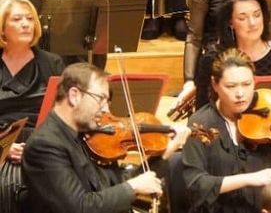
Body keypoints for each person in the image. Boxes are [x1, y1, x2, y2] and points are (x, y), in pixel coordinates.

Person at [23, 62, 183, 213]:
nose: (106, 110)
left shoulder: (88, 136)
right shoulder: (44, 145)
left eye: (107, 102)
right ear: (74, 96)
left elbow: (115, 185)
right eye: (100, 99)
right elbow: (79, 207)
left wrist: (164, 154)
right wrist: (132, 187)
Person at [177, 48, 271, 213]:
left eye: (247, 84)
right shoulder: (201, 124)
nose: (240, 94)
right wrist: (249, 179)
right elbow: (196, 184)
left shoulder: (267, 116)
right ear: (215, 84)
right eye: (231, 86)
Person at [191, 0, 271, 108]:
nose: (252, 23)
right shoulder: (212, 59)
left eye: (257, 15)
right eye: (242, 18)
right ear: (230, 22)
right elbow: (202, 109)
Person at [0, 0, 65, 159]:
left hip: (45, 145)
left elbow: (65, 114)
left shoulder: (52, 63)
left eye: (30, 19)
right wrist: (4, 148)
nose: (25, 24)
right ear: (2, 28)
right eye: (17, 19)